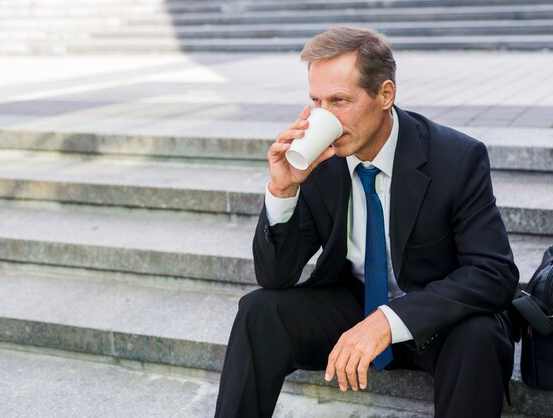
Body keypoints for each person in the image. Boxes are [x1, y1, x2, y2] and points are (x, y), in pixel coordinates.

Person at [215, 26, 518, 418]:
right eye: (316, 101)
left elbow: (494, 273)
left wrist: (389, 322)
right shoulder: (321, 162)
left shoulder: (455, 158)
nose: (326, 117)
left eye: (340, 100)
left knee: (481, 335)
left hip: (435, 317)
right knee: (259, 312)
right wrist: (283, 190)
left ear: (385, 95)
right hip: (353, 303)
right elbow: (275, 277)